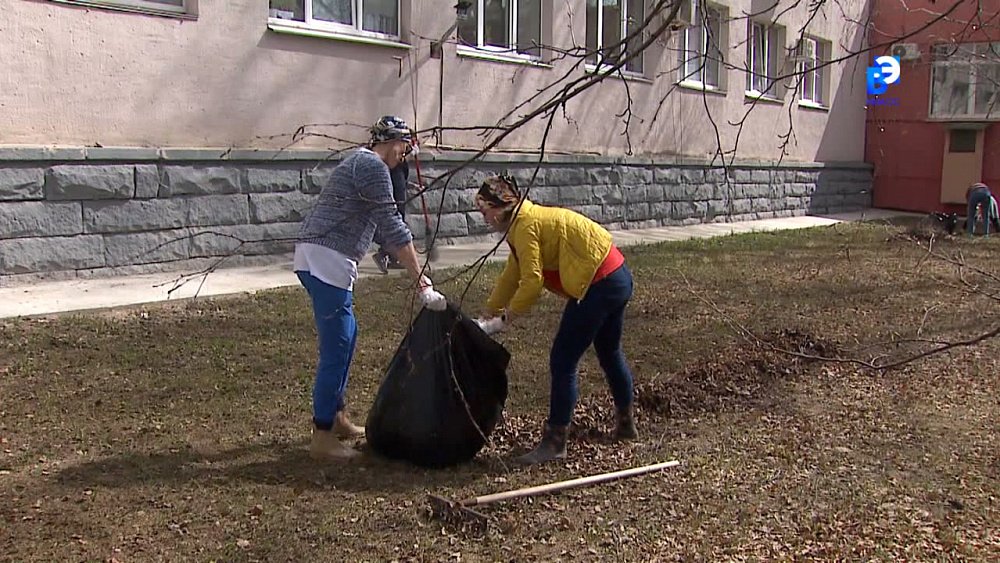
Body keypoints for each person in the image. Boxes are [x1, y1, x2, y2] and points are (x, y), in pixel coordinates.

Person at [294, 115, 448, 462]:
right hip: (326, 258)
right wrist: (420, 278)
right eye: (405, 147)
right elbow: (392, 223)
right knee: (337, 345)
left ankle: (337, 417)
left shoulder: (363, 164)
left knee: (348, 336)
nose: (405, 154)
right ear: (393, 142)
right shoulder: (373, 166)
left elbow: (382, 227)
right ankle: (322, 436)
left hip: (325, 257)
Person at [472, 174, 638, 465]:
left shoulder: (525, 226)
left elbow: (532, 282)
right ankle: (626, 425)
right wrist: (489, 310)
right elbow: (514, 272)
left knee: (563, 360)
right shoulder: (522, 222)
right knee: (609, 353)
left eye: (484, 211)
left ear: (498, 209)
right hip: (617, 274)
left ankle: (555, 442)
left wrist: (504, 320)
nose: (483, 218)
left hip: (599, 282)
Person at [372, 159, 411, 273]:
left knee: (398, 212)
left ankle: (393, 256)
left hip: (398, 167)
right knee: (396, 213)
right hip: (393, 167)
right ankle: (386, 252)